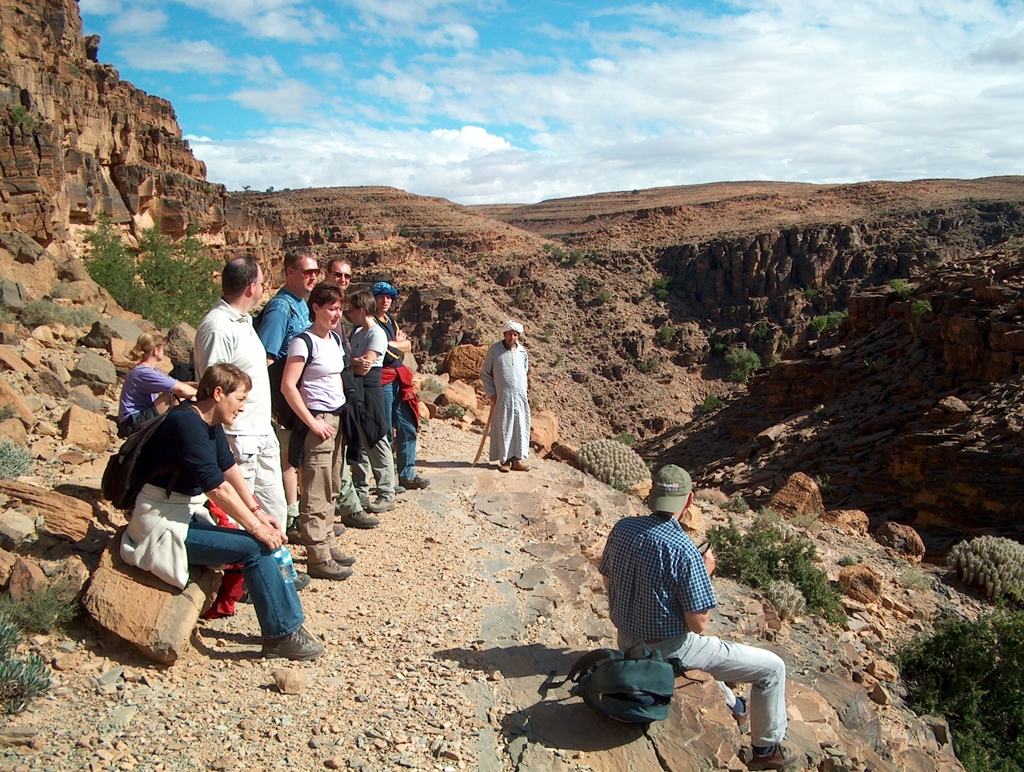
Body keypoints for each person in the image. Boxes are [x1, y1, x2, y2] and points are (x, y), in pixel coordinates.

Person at [598, 465, 799, 770]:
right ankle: (766, 749)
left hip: (626, 640)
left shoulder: (622, 528)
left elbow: (608, 584)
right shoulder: (684, 549)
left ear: (652, 494)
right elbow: (698, 623)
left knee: (721, 666)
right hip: (672, 648)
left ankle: (736, 706)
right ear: (689, 500)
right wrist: (703, 573)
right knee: (773, 668)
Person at [119, 363, 323, 661]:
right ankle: (282, 634)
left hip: (183, 516)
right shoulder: (185, 424)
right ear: (218, 393)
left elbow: (229, 469)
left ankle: (289, 624)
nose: (242, 407)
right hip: (161, 524)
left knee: (259, 539)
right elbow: (216, 488)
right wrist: (255, 527)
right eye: (239, 399)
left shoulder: (207, 423)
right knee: (256, 547)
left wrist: (257, 511)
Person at [193, 257, 310, 590]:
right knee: (241, 512)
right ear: (251, 287)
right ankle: (241, 583)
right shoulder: (217, 326)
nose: (263, 288)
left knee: (272, 507)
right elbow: (213, 384)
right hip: (237, 436)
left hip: (261, 431)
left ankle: (275, 571)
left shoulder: (243, 322)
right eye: (261, 282)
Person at [280, 282, 357, 580]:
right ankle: (317, 556)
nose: (337, 314)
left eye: (339, 308)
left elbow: (337, 377)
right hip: (318, 421)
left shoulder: (335, 340)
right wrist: (312, 421)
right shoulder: (303, 342)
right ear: (316, 308)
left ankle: (327, 543)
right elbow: (288, 386)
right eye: (331, 308)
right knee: (315, 488)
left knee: (332, 484)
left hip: (336, 420)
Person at [258, 248, 320, 526]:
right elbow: (266, 358)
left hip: (300, 396)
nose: (313, 277)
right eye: (307, 272)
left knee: (299, 454)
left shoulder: (302, 305)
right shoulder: (280, 308)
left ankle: (303, 512)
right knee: (288, 456)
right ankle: (292, 516)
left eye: (316, 272)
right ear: (289, 272)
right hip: (285, 398)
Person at [371, 282, 429, 492]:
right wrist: (396, 345)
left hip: (398, 379)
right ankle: (386, 483)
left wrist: (393, 344)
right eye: (381, 297)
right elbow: (385, 351)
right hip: (383, 379)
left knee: (407, 426)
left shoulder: (390, 320)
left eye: (388, 297)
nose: (385, 300)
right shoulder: (371, 322)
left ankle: (407, 474)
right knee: (385, 431)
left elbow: (406, 346)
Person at [346, 289, 396, 515]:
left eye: (351, 310)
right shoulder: (357, 332)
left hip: (371, 386)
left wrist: (351, 361)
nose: (348, 314)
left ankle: (386, 492)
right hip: (357, 387)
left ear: (361, 310)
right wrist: (352, 362)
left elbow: (366, 364)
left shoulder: (376, 333)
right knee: (360, 437)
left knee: (377, 437)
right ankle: (361, 491)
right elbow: (354, 362)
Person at [117, 332, 197, 437]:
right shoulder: (144, 373)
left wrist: (200, 386)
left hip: (135, 419)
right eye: (162, 348)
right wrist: (202, 393)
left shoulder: (149, 371)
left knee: (179, 393)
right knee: (175, 395)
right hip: (131, 424)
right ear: (156, 350)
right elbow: (180, 389)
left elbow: (181, 384)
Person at [481, 320, 531, 473]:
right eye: (509, 334)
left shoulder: (522, 351)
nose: (512, 337)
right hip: (503, 397)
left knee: (520, 426)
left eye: (515, 335)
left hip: (520, 397)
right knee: (505, 427)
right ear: (504, 334)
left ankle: (517, 459)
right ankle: (505, 460)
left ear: (518, 336)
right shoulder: (494, 350)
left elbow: (525, 369)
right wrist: (492, 393)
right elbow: (485, 374)